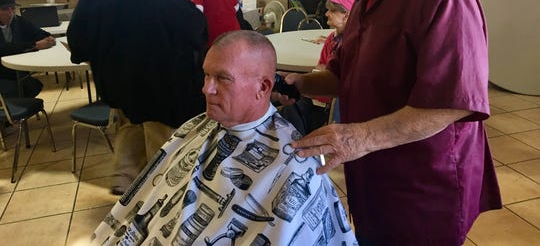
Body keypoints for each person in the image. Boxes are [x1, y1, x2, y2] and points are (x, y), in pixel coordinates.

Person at [279, 0, 502, 245]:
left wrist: (357, 137)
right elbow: (344, 74)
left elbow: (452, 102)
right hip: (374, 178)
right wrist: (299, 84)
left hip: (423, 186)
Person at [91, 30, 358, 245]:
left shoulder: (295, 167)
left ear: (263, 87)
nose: (206, 89)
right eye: (206, 75)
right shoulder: (196, 127)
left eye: (222, 78)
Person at [67, 0, 208, 195]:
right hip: (161, 91)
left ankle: (124, 181)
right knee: (161, 146)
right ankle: (159, 195)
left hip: (118, 89)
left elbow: (77, 44)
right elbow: (198, 31)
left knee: (129, 126)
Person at [280, 0, 358, 135]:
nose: (326, 13)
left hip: (331, 105)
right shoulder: (331, 39)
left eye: (332, 11)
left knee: (290, 115)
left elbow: (334, 77)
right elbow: (320, 67)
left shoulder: (355, 43)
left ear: (347, 15)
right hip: (318, 96)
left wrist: (324, 72)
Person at [0, 0, 56, 98]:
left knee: (33, 86)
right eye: (5, 9)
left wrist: (48, 39)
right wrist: (34, 45)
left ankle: (17, 111)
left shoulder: (17, 21)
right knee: (16, 91)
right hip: (2, 74)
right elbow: (3, 49)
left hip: (16, 71)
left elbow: (39, 33)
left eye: (12, 8)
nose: (10, 13)